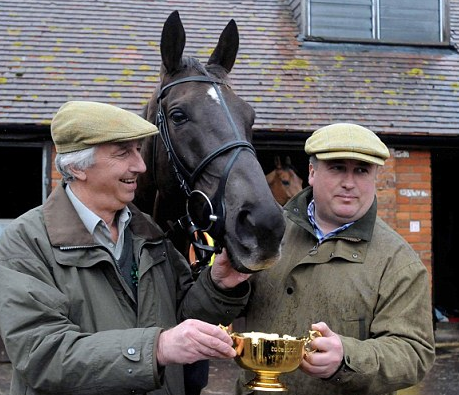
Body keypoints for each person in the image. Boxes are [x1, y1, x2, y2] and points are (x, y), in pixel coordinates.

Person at [0, 100, 252, 395]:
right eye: (123, 153)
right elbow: (44, 355)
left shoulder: (147, 231)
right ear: (77, 168)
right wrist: (155, 348)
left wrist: (218, 285)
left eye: (137, 150)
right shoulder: (24, 243)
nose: (141, 165)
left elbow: (183, 317)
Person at [236, 123, 435, 394]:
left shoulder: (399, 262)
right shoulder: (268, 233)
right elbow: (216, 312)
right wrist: (219, 283)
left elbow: (415, 353)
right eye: (337, 167)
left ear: (374, 176)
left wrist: (347, 357)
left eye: (361, 170)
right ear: (312, 172)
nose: (349, 183)